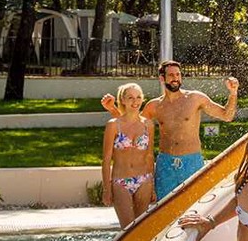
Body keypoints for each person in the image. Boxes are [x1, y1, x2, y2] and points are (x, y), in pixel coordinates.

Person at [102, 61, 240, 200]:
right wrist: (113, 109)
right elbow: (132, 125)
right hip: (165, 164)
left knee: (193, 207)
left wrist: (233, 93)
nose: (175, 78)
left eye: (178, 74)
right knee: (164, 208)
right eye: (171, 75)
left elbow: (226, 116)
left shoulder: (195, 98)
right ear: (162, 78)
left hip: (191, 161)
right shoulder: (154, 106)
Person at [101, 83, 154, 227]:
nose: (135, 101)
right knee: (127, 229)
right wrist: (106, 189)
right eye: (130, 97)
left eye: (138, 97)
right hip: (121, 181)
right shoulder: (113, 125)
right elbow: (106, 160)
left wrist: (153, 186)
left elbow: (149, 156)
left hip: (144, 180)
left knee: (140, 228)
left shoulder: (148, 125)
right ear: (122, 100)